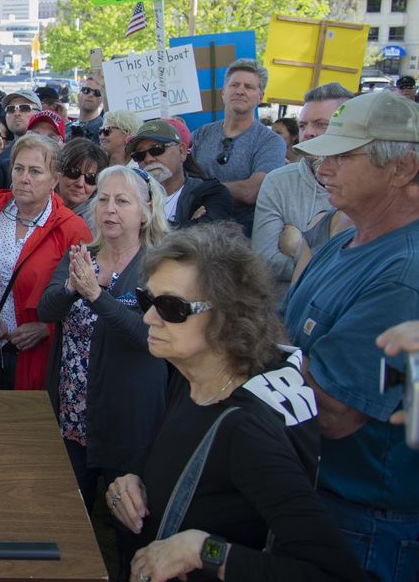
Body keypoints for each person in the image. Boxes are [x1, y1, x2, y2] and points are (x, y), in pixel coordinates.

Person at [105, 222, 365, 582]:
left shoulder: (247, 428)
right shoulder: (191, 377)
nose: (148, 317)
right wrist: (132, 480)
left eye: (171, 307)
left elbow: (331, 571)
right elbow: (179, 459)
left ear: (226, 316)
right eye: (147, 299)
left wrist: (205, 551)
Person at [281, 91, 419, 582]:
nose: (323, 166)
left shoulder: (404, 272)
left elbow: (337, 414)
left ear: (402, 168)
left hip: (369, 522)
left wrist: (234, 344)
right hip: (322, 492)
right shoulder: (345, 238)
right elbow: (284, 334)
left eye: (342, 155)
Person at [38, 166, 169, 574]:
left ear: (146, 212)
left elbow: (146, 337)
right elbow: (46, 310)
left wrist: (96, 296)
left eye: (122, 201)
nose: (110, 210)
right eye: (104, 200)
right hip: (72, 415)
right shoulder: (83, 255)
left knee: (130, 528)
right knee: (66, 519)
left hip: (127, 422)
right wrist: (72, 289)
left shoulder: (158, 267)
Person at [0, 133, 92, 390]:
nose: (24, 178)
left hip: (35, 358)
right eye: (19, 168)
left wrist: (47, 329)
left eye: (35, 171)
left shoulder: (72, 229)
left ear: (55, 179)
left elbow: (84, 302)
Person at [252, 83, 354, 297]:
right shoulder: (278, 182)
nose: (308, 133)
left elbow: (364, 270)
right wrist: (329, 265)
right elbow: (263, 262)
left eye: (321, 124)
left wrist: (298, 247)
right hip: (282, 312)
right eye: (303, 125)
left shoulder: (365, 185)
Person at [190, 60, 286, 235]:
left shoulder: (271, 141)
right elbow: (183, 180)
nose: (240, 91)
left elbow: (252, 191)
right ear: (223, 92)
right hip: (196, 230)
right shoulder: (200, 134)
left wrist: (201, 190)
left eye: (249, 87)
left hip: (242, 238)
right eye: (234, 85)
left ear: (260, 97)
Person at [127, 119, 234, 228]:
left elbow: (204, 238)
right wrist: (188, 227)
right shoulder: (129, 199)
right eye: (139, 155)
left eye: (157, 149)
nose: (148, 159)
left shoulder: (211, 193)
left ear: (182, 152)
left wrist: (145, 225)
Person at [56, 137, 108, 229]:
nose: (80, 184)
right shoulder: (36, 202)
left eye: (91, 178)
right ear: (58, 171)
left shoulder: (96, 223)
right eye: (73, 172)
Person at [67, 75, 105, 143]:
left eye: (97, 93)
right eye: (86, 90)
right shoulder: (66, 128)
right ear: (78, 95)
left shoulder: (105, 131)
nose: (91, 95)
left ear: (101, 100)